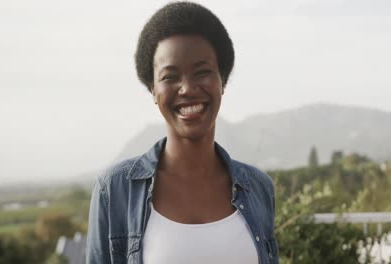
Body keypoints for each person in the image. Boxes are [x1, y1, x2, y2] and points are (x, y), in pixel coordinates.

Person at [86, 2, 278, 264]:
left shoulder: (258, 188)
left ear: (222, 80)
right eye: (170, 76)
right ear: (152, 89)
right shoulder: (116, 190)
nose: (187, 88)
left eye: (202, 72)